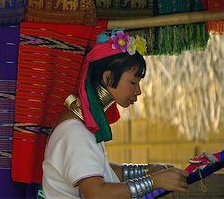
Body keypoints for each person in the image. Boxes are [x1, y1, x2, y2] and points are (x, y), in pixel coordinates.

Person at [42, 31, 189, 198]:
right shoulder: (75, 132)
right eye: (133, 82)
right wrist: (153, 182)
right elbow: (96, 194)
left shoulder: (82, 124)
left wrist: (148, 170)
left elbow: (101, 170)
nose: (138, 91)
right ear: (109, 77)